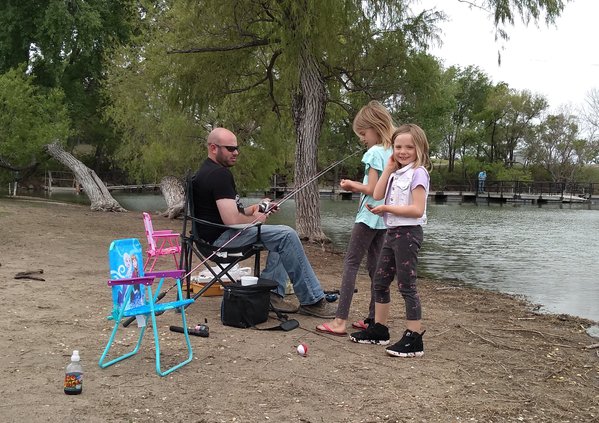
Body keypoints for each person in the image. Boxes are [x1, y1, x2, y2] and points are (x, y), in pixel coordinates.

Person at [192, 127, 337, 319]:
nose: (236, 152)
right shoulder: (219, 175)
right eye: (230, 148)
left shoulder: (205, 171)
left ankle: (273, 295)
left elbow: (227, 212)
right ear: (213, 148)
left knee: (279, 236)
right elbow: (232, 220)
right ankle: (312, 301)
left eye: (237, 148)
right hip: (221, 243)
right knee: (286, 235)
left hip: (208, 240)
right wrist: (255, 220)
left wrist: (255, 208)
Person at [350, 124, 431, 358]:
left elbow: (417, 209)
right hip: (391, 232)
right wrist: (387, 168)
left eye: (409, 147)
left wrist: (386, 208)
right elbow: (376, 194)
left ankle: (414, 338)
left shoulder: (419, 173)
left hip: (408, 234)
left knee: (407, 285)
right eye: (398, 147)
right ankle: (379, 329)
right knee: (380, 281)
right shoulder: (396, 173)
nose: (403, 151)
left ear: (419, 148)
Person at [315, 101, 394, 336]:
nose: (362, 138)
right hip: (386, 217)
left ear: (375, 127)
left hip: (368, 216)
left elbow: (371, 188)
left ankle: (339, 320)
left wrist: (351, 185)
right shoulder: (393, 152)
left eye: (363, 133)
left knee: (350, 264)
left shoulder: (374, 153)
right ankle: (373, 319)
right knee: (375, 267)